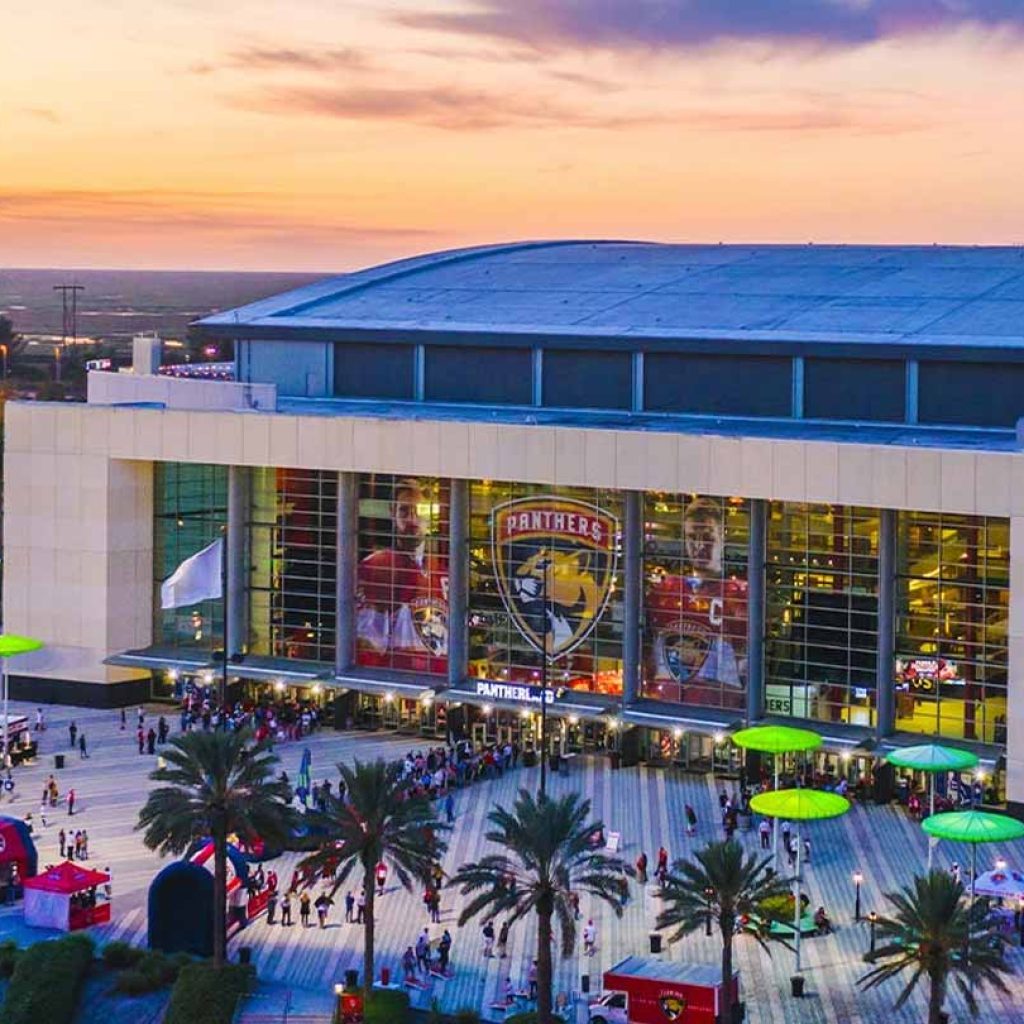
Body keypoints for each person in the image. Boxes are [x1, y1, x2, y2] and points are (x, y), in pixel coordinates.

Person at [645, 497, 748, 708]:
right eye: (692, 537)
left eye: (707, 537)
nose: (699, 546)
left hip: (720, 706)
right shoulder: (666, 592)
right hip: (667, 702)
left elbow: (745, 664)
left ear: (722, 537)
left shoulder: (740, 596)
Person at [356, 477, 449, 674]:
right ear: (393, 514)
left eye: (419, 511)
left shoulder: (442, 572)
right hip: (397, 684)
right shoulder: (375, 567)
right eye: (404, 511)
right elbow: (366, 643)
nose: (412, 519)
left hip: (437, 683)